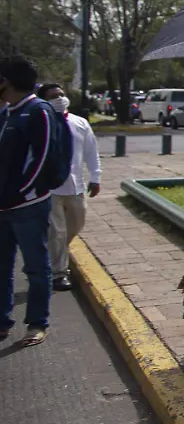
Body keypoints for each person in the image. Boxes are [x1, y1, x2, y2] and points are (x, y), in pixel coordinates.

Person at [0, 56, 58, 346]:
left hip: (28, 206)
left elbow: (42, 158)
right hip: (3, 206)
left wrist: (19, 192)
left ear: (7, 81)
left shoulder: (38, 111)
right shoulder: (7, 113)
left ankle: (37, 323)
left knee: (35, 267)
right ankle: (2, 321)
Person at [36, 83, 100, 292]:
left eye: (61, 94)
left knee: (76, 225)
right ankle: (59, 274)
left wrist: (95, 177)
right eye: (54, 96)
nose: (60, 98)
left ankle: (50, 257)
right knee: (57, 232)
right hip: (49, 189)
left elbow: (91, 151)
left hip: (75, 186)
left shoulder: (79, 123)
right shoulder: (41, 124)